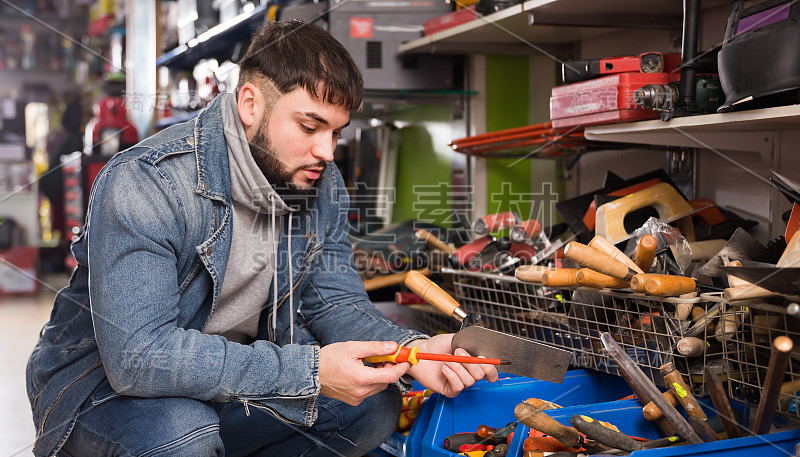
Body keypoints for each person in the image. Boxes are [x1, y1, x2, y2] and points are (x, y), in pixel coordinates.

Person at [26, 20, 497, 457]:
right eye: (309, 127)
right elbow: (139, 358)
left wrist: (416, 353)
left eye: (336, 132)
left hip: (227, 386)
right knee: (185, 431)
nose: (326, 152)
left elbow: (332, 303)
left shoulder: (319, 181)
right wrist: (309, 373)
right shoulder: (148, 183)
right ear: (250, 104)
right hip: (102, 390)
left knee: (373, 408)